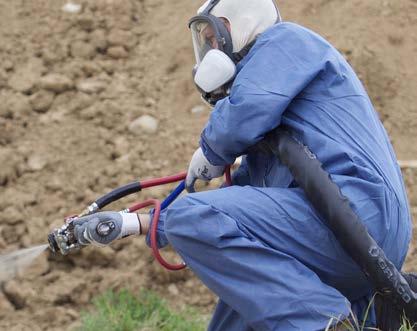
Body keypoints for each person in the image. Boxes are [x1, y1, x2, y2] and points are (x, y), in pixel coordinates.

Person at [72, 0, 413, 330]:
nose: (207, 53)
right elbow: (238, 210)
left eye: (210, 40)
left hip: (359, 213)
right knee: (246, 302)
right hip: (346, 238)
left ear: (239, 23)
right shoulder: (267, 135)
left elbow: (247, 110)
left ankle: (324, 325)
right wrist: (134, 223)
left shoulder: (286, 42)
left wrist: (210, 149)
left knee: (194, 215)